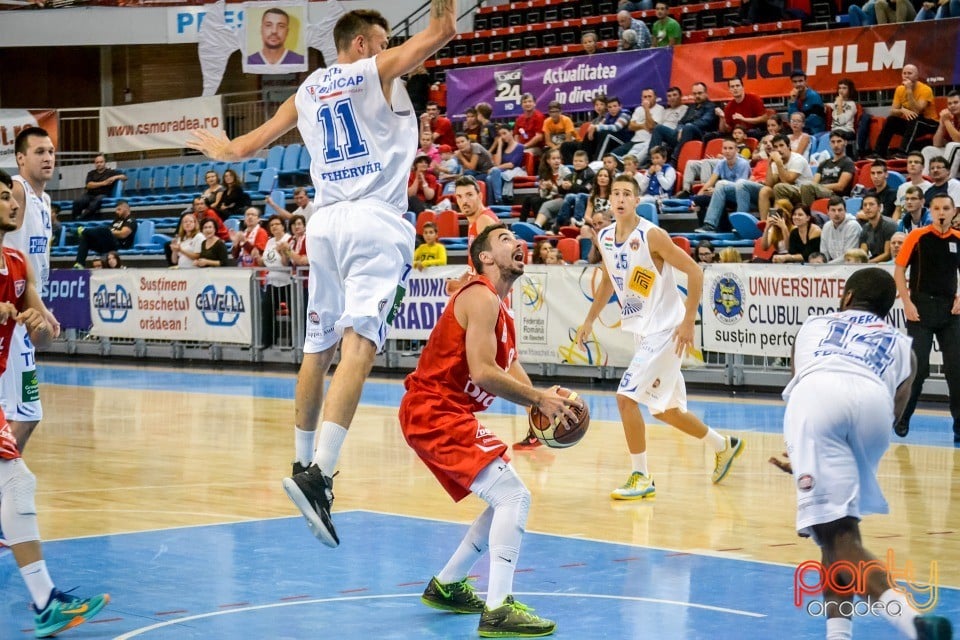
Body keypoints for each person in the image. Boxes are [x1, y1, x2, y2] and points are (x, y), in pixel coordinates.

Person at [194, 6, 459, 547]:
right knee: (361, 343)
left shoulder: (311, 87)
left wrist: (222, 149)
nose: (390, 54)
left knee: (318, 349)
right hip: (373, 221)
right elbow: (443, 31)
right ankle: (321, 476)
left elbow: (246, 148)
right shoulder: (374, 70)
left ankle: (300, 461)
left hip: (325, 224)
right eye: (383, 44)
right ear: (361, 45)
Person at [400, 224, 575, 637]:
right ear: (485, 258)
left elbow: (513, 373)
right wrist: (537, 401)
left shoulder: (501, 309)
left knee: (504, 498)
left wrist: (542, 403)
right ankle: (498, 609)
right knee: (514, 494)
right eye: (505, 239)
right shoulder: (480, 296)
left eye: (517, 237)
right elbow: (483, 372)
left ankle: (447, 585)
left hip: (444, 412)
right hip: (434, 410)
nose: (517, 242)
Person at [783, 266, 953, 640]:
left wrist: (802, 447)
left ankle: (913, 622)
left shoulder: (814, 325)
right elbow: (897, 410)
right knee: (840, 533)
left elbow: (801, 383)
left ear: (846, 297)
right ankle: (838, 635)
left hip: (820, 396)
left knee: (837, 536)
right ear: (888, 308)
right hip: (874, 406)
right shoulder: (903, 346)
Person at [576, 174, 744, 500]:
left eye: (627, 193)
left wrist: (688, 322)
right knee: (665, 410)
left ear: (637, 200)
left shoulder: (652, 235)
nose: (621, 198)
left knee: (625, 398)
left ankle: (642, 476)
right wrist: (589, 320)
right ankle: (724, 445)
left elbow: (695, 271)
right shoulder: (605, 237)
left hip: (668, 331)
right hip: (644, 333)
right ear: (609, 200)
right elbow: (611, 282)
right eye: (616, 193)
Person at [0, 169, 111, 638]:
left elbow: (38, 316)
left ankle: (46, 600)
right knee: (17, 481)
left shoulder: (16, 261)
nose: (13, 203)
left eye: (13, 196)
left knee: (16, 483)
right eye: (3, 197)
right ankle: (45, 600)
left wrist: (39, 320)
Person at [2, 127, 58, 455]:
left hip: (27, 307)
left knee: (24, 412)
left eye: (50, 151)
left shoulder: (44, 200)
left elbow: (31, 264)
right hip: (10, 311)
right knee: (26, 411)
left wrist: (42, 307)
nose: (48, 157)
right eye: (39, 152)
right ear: (21, 159)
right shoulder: (17, 191)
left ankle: (6, 474)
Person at [893, 193, 960, 441]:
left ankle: (959, 426)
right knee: (918, 370)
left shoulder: (958, 239)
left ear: (954, 212)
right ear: (931, 211)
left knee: (956, 370)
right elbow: (899, 270)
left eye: (946, 208)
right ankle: (903, 418)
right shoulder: (917, 237)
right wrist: (907, 301)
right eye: (937, 208)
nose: (941, 212)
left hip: (950, 311)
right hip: (920, 308)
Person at [874, 64, 940, 158]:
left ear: (917, 76)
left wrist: (909, 91)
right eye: (904, 73)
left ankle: (904, 152)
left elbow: (918, 111)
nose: (906, 76)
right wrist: (902, 110)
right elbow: (892, 111)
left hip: (930, 124)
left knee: (915, 119)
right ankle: (879, 153)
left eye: (909, 73)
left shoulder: (926, 89)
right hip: (912, 123)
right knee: (891, 120)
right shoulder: (899, 89)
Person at [692, 137, 752, 233]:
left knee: (720, 188)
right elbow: (710, 182)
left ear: (736, 150)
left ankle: (713, 226)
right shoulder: (721, 163)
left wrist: (716, 190)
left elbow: (741, 186)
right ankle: (706, 227)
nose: (727, 151)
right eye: (725, 148)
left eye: (730, 148)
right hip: (723, 194)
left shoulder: (743, 164)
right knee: (699, 200)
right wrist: (696, 198)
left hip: (740, 196)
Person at [650, 82, 718, 166]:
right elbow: (681, 121)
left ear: (706, 93)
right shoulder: (692, 107)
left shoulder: (711, 106)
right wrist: (679, 130)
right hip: (683, 133)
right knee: (658, 128)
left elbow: (704, 122)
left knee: (689, 127)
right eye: (695, 94)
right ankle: (652, 161)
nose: (697, 96)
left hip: (700, 134)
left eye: (700, 93)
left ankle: (674, 161)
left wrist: (684, 128)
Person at [760, 134, 814, 220]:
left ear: (789, 146)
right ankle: (764, 223)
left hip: (803, 191)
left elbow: (787, 181)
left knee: (779, 187)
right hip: (784, 191)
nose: (779, 149)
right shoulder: (776, 161)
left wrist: (778, 163)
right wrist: (770, 164)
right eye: (776, 147)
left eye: (781, 145)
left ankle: (775, 221)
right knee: (765, 190)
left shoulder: (798, 159)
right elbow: (769, 184)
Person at [73, 199, 137, 268]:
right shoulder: (117, 220)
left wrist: (110, 232)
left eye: (119, 209)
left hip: (120, 244)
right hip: (108, 245)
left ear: (126, 209)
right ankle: (80, 264)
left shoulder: (131, 220)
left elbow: (123, 234)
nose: (116, 212)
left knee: (105, 230)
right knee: (85, 238)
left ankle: (84, 231)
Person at [799, 132, 856, 207]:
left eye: (839, 141)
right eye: (833, 142)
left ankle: (807, 214)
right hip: (819, 190)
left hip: (834, 195)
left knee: (807, 187)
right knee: (781, 188)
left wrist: (819, 186)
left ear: (845, 142)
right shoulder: (824, 163)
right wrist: (816, 187)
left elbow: (840, 186)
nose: (836, 145)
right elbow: (814, 182)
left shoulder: (848, 162)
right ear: (829, 144)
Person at [611, 88, 663, 165]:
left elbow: (651, 127)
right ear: (641, 98)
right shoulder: (638, 109)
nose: (647, 99)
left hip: (647, 142)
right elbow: (631, 126)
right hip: (634, 140)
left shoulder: (660, 109)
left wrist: (646, 110)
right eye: (645, 97)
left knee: (630, 159)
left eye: (649, 96)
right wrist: (643, 126)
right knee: (612, 156)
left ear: (655, 97)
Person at [71, 153, 126, 220]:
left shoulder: (110, 172)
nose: (99, 164)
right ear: (95, 164)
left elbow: (124, 177)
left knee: (96, 202)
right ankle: (74, 219)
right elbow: (89, 185)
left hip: (103, 194)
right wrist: (104, 183)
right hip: (89, 194)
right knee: (77, 201)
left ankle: (82, 218)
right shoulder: (91, 173)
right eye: (97, 162)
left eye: (101, 162)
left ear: (105, 163)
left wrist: (115, 177)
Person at [921, 90, 960, 175]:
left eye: (956, 102)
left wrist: (946, 121)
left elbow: (958, 140)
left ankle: (945, 180)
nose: (952, 105)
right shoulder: (950, 118)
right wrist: (942, 124)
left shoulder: (948, 120)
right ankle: (925, 181)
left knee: (952, 146)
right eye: (949, 104)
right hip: (955, 156)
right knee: (928, 150)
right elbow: (936, 144)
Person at [487, 125, 527, 205]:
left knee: (494, 172)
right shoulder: (503, 147)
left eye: (504, 133)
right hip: (501, 172)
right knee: (488, 178)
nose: (503, 136)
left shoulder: (519, 147)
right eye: (501, 135)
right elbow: (498, 163)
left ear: (511, 132)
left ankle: (498, 200)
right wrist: (500, 145)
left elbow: (511, 165)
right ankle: (492, 203)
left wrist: (495, 168)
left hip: (512, 172)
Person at [820, 196, 861, 263]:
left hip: (852, 265)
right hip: (832, 267)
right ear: (827, 212)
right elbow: (824, 254)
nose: (837, 214)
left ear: (845, 211)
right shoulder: (826, 226)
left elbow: (848, 256)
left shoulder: (853, 226)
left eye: (840, 210)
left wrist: (827, 266)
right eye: (833, 210)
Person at [859, 193, 898, 263]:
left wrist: (868, 263)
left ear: (879, 207)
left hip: (889, 265)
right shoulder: (865, 228)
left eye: (871, 204)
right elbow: (862, 254)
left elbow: (887, 254)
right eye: (865, 205)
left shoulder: (889, 225)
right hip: (872, 263)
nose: (867, 207)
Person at [893, 152, 932, 221]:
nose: (912, 164)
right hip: (903, 224)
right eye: (910, 162)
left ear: (922, 167)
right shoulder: (902, 187)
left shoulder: (930, 188)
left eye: (916, 162)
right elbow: (898, 210)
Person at [787, 70, 826, 134]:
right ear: (792, 83)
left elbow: (816, 120)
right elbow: (791, 118)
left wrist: (798, 124)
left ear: (805, 81)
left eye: (800, 81)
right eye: (795, 82)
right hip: (799, 131)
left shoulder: (814, 96)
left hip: (814, 132)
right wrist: (793, 101)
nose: (798, 84)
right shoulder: (793, 97)